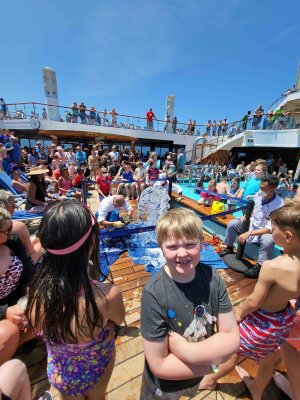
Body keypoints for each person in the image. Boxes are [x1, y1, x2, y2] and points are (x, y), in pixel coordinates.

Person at [198, 201, 300, 399]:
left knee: (234, 351)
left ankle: (210, 380)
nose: (271, 232)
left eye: (274, 229)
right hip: (282, 320)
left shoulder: (273, 267)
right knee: (268, 358)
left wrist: (238, 314)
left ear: (287, 237)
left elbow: (255, 301)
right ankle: (257, 389)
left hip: (261, 320)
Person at [26, 201, 125, 399]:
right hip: (97, 369)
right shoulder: (108, 295)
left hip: (60, 372)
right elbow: (119, 319)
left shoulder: (35, 294)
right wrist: (111, 327)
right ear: (92, 244)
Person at [140, 208, 240, 399]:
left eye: (189, 244)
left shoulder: (213, 278)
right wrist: (212, 363)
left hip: (197, 375)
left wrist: (190, 353)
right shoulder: (154, 293)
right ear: (160, 247)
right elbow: (159, 365)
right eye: (172, 247)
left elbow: (232, 336)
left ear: (202, 243)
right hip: (165, 386)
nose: (182, 253)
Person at [220, 175, 284, 278]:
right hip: (252, 224)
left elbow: (270, 228)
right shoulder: (259, 194)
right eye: (260, 186)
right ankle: (229, 247)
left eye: (263, 188)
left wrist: (249, 233)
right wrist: (246, 216)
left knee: (268, 241)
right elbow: (254, 211)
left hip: (266, 231)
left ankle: (259, 266)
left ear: (273, 189)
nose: (260, 190)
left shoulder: (280, 204)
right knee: (232, 224)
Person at [0, 208, 36, 364]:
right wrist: (5, 311)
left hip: (18, 297)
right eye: (6, 230)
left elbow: (28, 268)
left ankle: (22, 344)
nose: (11, 232)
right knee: (9, 333)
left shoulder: (12, 242)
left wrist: (30, 289)